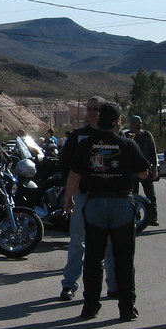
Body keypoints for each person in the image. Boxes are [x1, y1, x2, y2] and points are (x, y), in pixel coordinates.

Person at [64, 101, 150, 322]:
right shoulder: (127, 144)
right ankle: (126, 307)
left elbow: (74, 176)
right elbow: (144, 174)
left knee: (93, 258)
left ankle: (90, 306)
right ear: (117, 122)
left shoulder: (86, 144)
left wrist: (68, 200)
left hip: (95, 203)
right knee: (123, 258)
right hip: (121, 203)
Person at [57, 96, 119, 302]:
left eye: (97, 109)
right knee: (77, 242)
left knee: (110, 243)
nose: (92, 112)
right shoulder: (78, 136)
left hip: (109, 196)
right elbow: (66, 165)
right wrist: (71, 193)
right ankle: (69, 284)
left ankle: (114, 285)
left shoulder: (114, 136)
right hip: (83, 196)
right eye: (89, 109)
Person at [125, 115, 159, 225]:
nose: (138, 125)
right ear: (131, 124)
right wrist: (130, 140)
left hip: (146, 169)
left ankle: (153, 217)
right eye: (135, 122)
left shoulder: (147, 135)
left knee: (150, 195)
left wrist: (154, 169)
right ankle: (136, 217)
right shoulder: (126, 136)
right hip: (132, 171)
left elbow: (153, 153)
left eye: (139, 122)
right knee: (133, 195)